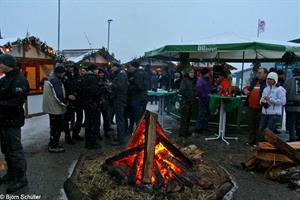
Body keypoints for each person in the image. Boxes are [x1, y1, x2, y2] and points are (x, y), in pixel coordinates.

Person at [0, 54, 29, 193]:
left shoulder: (19, 80)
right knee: (6, 149)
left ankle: (21, 178)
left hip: (12, 122)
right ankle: (11, 173)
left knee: (15, 151)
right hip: (3, 121)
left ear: (8, 64)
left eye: (1, 63)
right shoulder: (5, 79)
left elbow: (16, 103)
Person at [43, 64, 68, 153]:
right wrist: (65, 103)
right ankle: (53, 146)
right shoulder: (56, 80)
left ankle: (54, 143)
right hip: (55, 108)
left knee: (54, 127)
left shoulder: (51, 78)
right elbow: (58, 95)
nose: (64, 75)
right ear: (60, 73)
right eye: (63, 73)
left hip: (52, 107)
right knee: (56, 127)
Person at [243, 68, 268, 145]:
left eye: (260, 73)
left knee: (259, 126)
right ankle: (250, 141)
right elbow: (247, 87)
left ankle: (258, 142)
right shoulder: (254, 81)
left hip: (261, 108)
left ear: (265, 74)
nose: (258, 74)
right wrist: (245, 90)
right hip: (251, 107)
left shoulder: (267, 83)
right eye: (258, 72)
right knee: (251, 125)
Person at [259, 72, 286, 138]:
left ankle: (267, 145)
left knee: (268, 131)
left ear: (275, 80)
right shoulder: (266, 89)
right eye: (268, 79)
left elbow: (283, 102)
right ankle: (261, 144)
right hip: (264, 113)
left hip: (274, 114)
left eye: (271, 79)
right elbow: (262, 98)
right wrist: (262, 101)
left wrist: (270, 99)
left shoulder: (280, 89)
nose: (269, 80)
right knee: (261, 129)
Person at [81, 64, 102, 149]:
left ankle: (88, 141)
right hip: (93, 104)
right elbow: (94, 92)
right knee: (93, 123)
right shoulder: (93, 78)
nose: (98, 71)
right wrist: (101, 89)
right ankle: (92, 143)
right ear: (93, 70)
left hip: (87, 103)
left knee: (89, 123)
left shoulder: (85, 77)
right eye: (97, 70)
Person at [63, 63, 82, 144]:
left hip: (78, 100)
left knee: (80, 117)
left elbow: (80, 87)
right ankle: (67, 136)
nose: (71, 68)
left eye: (72, 66)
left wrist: (76, 94)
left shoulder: (78, 76)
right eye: (69, 67)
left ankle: (75, 133)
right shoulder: (65, 77)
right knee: (67, 119)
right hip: (68, 101)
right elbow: (63, 88)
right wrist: (68, 96)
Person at [127, 63, 150, 133]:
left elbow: (138, 87)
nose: (128, 69)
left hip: (137, 98)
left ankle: (137, 133)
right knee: (141, 116)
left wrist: (129, 87)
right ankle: (139, 131)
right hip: (144, 97)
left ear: (133, 67)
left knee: (136, 116)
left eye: (129, 67)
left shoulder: (136, 74)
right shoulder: (145, 73)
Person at [110, 62, 129, 145]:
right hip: (121, 98)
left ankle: (121, 139)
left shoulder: (121, 74)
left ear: (116, 67)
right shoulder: (121, 73)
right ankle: (121, 137)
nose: (111, 68)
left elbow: (120, 87)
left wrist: (111, 84)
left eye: (112, 67)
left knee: (120, 119)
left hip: (119, 99)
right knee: (121, 118)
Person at [178, 67, 196, 137]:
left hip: (190, 101)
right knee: (184, 119)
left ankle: (186, 131)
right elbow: (181, 90)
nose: (193, 74)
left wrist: (194, 95)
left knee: (188, 118)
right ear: (187, 73)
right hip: (185, 102)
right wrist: (188, 96)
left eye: (193, 72)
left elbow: (193, 90)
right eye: (191, 72)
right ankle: (182, 133)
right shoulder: (184, 80)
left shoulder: (192, 80)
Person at [284, 68, 300, 141]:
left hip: (291, 105)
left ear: (293, 73)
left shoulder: (288, 81)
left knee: (292, 123)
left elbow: (285, 93)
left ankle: (292, 138)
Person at [195, 68, 212, 134]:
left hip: (207, 98)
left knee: (206, 114)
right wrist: (204, 96)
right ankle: (198, 128)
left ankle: (204, 127)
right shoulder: (200, 80)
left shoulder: (207, 79)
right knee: (201, 114)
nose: (209, 74)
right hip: (203, 99)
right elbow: (199, 91)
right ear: (205, 73)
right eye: (208, 73)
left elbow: (209, 88)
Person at [98, 68, 113, 138]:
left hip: (106, 101)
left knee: (106, 117)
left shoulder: (106, 80)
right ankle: (97, 133)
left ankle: (106, 131)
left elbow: (110, 91)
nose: (101, 74)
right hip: (98, 101)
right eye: (100, 73)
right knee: (97, 119)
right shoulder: (96, 80)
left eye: (102, 73)